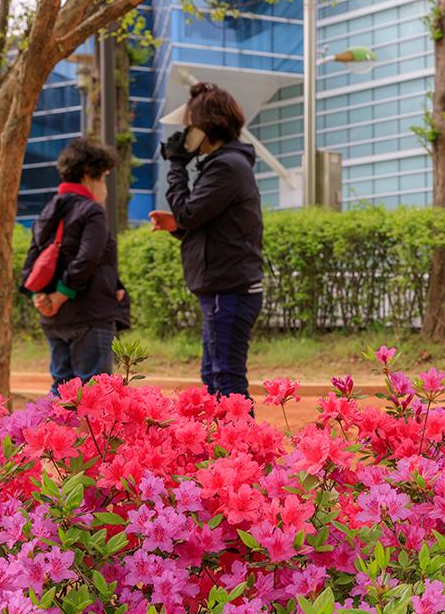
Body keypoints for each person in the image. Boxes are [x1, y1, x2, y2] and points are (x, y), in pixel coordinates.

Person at [149, 82, 264, 400]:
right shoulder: (224, 165)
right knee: (215, 376)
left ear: (206, 127)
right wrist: (179, 225)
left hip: (228, 291)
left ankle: (241, 449)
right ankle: (229, 448)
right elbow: (205, 222)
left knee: (225, 379)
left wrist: (175, 165)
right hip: (223, 289)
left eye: (190, 127)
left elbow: (188, 212)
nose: (185, 135)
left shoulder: (226, 166)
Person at [21, 137, 126, 394]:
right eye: (103, 178)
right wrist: (61, 294)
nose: (105, 187)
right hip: (89, 316)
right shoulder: (92, 211)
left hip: (54, 320)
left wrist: (40, 296)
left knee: (62, 390)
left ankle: (50, 435)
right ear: (89, 176)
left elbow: (33, 259)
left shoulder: (48, 209)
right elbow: (87, 258)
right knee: (94, 392)